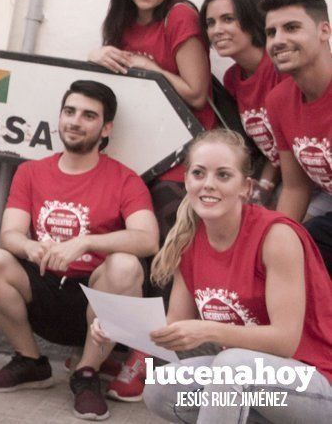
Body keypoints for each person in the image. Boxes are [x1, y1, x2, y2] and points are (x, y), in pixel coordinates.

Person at [95, 129, 332, 422]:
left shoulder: (276, 236)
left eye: (223, 175)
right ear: (186, 181)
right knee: (163, 386)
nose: (208, 184)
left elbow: (285, 341)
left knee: (231, 366)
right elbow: (173, 328)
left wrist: (208, 330)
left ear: (245, 187)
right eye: (199, 173)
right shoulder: (189, 244)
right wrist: (116, 326)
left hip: (314, 383)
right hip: (248, 384)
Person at [0, 80, 159, 421]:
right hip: (44, 288)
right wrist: (31, 247)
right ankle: (31, 362)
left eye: (89, 116)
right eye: (69, 112)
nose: (75, 121)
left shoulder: (124, 179)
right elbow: (9, 234)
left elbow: (147, 239)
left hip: (97, 304)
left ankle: (86, 375)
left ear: (106, 128)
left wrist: (86, 242)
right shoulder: (31, 172)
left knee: (126, 266)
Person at [88, 0, 216, 243]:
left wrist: (156, 71)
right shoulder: (121, 22)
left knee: (162, 243)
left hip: (179, 159)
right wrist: (96, 56)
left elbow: (197, 94)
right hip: (136, 154)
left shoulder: (179, 15)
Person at [262, 0, 332, 272]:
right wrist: (276, 245)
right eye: (271, 32)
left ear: (324, 31)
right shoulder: (278, 100)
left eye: (291, 27)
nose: (279, 40)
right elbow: (295, 186)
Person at [200, 0, 282, 205]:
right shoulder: (233, 78)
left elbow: (289, 142)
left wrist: (264, 186)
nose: (217, 30)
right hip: (275, 177)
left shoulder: (280, 67)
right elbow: (269, 150)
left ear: (252, 18)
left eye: (228, 19)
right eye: (210, 23)